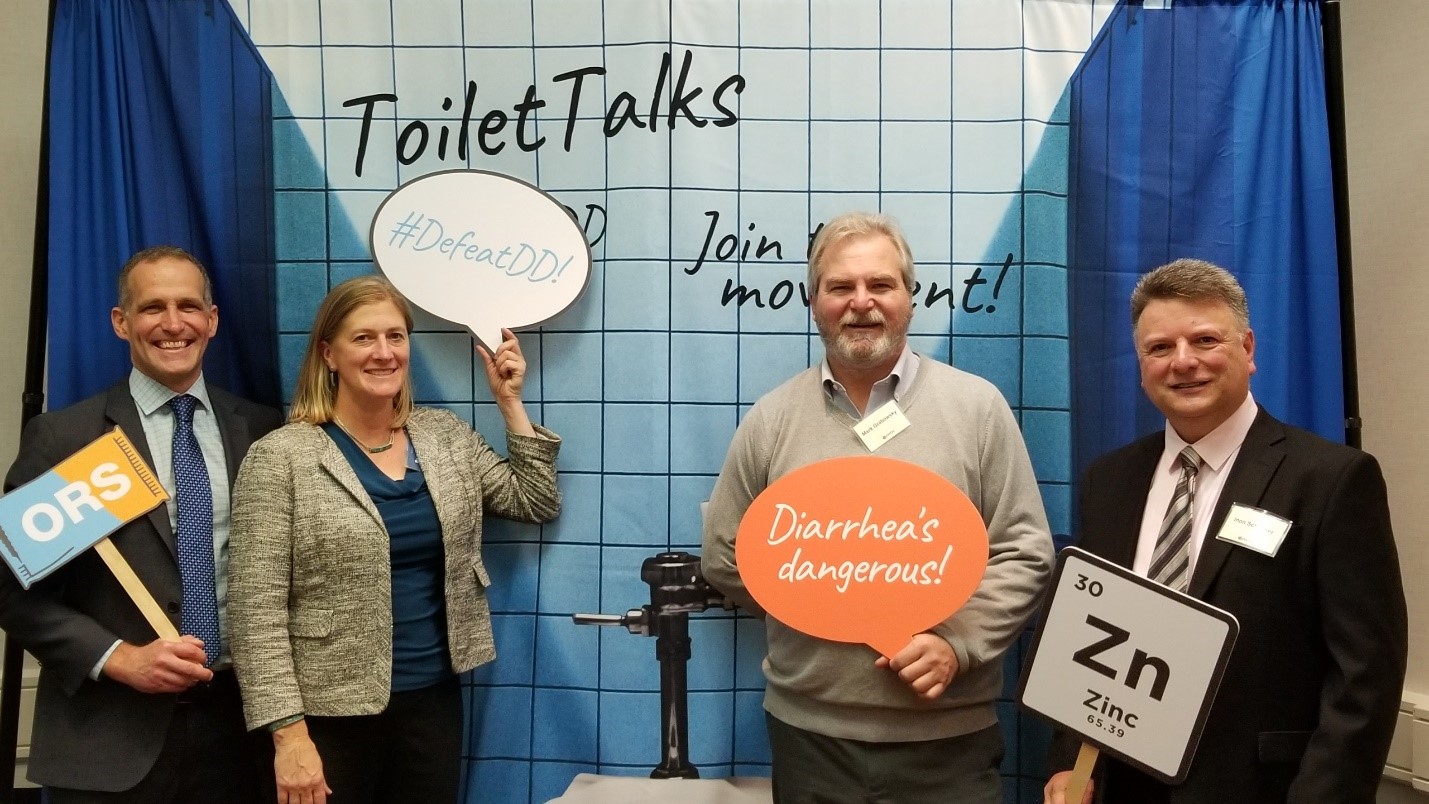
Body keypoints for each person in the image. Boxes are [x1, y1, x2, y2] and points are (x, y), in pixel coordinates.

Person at [701, 212, 1054, 803]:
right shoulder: (773, 417)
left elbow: (1026, 551)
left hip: (948, 742)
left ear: (910, 300)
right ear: (814, 301)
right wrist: (820, 595)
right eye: (841, 287)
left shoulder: (977, 409)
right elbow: (725, 552)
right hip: (810, 738)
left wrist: (957, 645)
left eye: (881, 285)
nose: (860, 302)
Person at [1044, 259, 1407, 804]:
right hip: (1120, 786)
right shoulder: (1109, 480)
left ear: (1249, 349)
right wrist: (1072, 763)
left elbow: (1366, 675)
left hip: (1260, 787)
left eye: (1205, 340)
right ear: (1141, 366)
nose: (1183, 362)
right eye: (1160, 348)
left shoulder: (1331, 479)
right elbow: (1086, 638)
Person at [228, 275, 561, 804]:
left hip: (432, 702)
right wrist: (288, 736)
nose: (384, 353)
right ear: (328, 354)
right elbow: (254, 613)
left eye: (396, 337)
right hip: (326, 715)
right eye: (364, 338)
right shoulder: (280, 458)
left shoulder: (444, 437)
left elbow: (534, 502)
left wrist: (510, 404)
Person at [0, 246, 281, 802]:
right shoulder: (68, 438)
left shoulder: (262, 430)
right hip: (109, 743)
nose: (173, 324)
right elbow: (10, 588)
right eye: (153, 308)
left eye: (188, 306)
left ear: (212, 320)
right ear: (121, 322)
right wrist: (119, 658)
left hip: (240, 739)